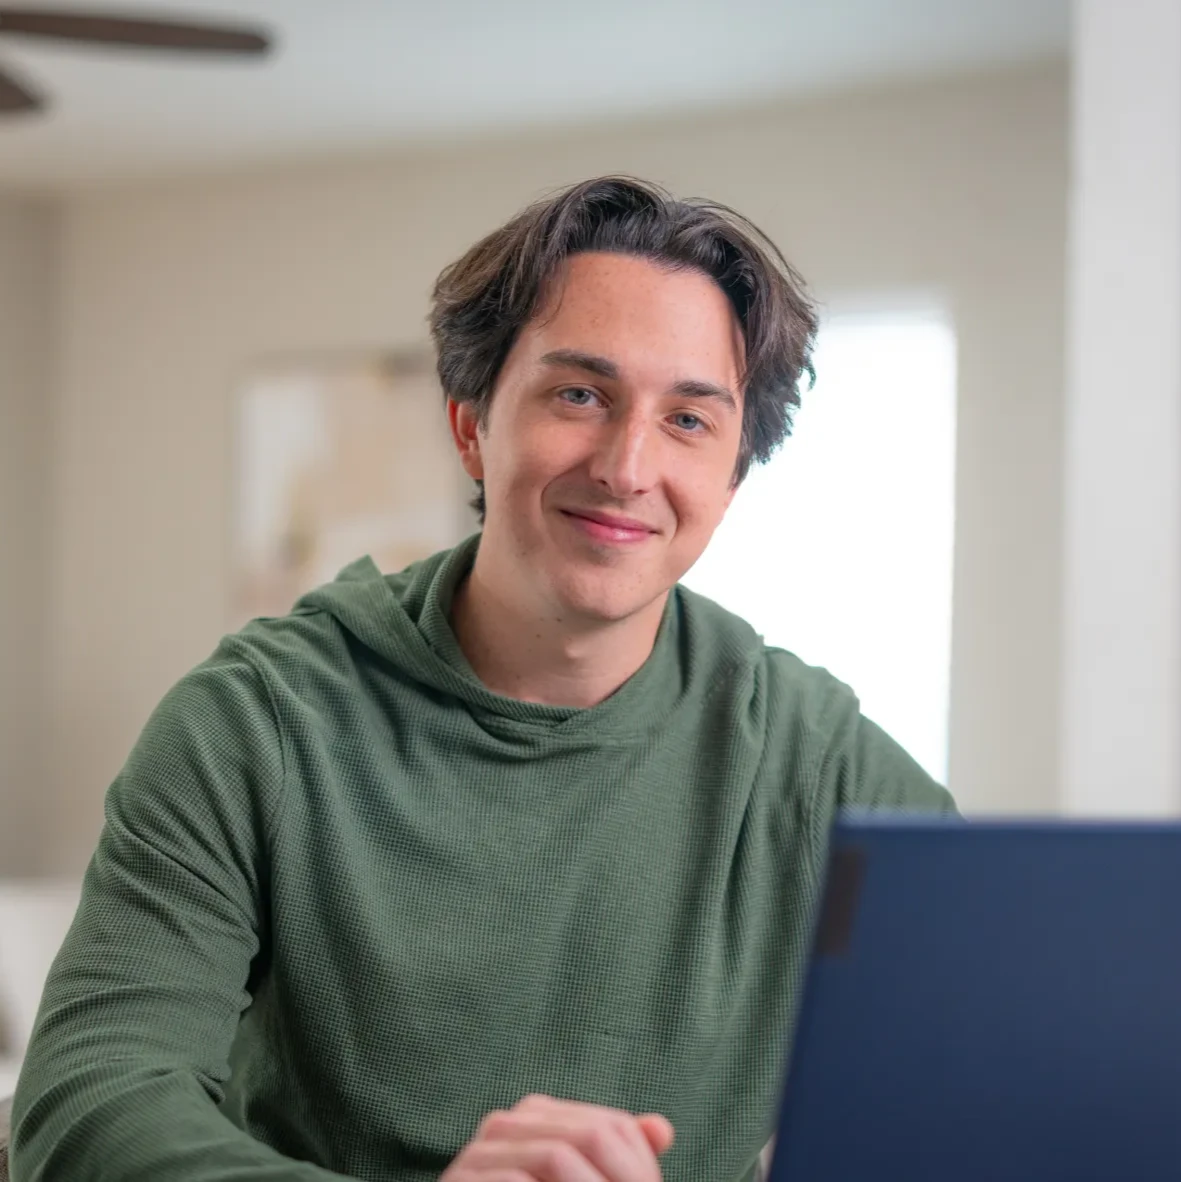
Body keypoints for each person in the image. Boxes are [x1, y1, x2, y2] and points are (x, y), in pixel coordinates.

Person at [10, 176, 955, 1182]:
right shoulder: (256, 723)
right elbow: (88, 1104)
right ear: (470, 422)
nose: (626, 466)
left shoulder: (815, 760)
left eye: (687, 420)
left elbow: (992, 1065)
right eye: (579, 395)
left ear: (729, 480)